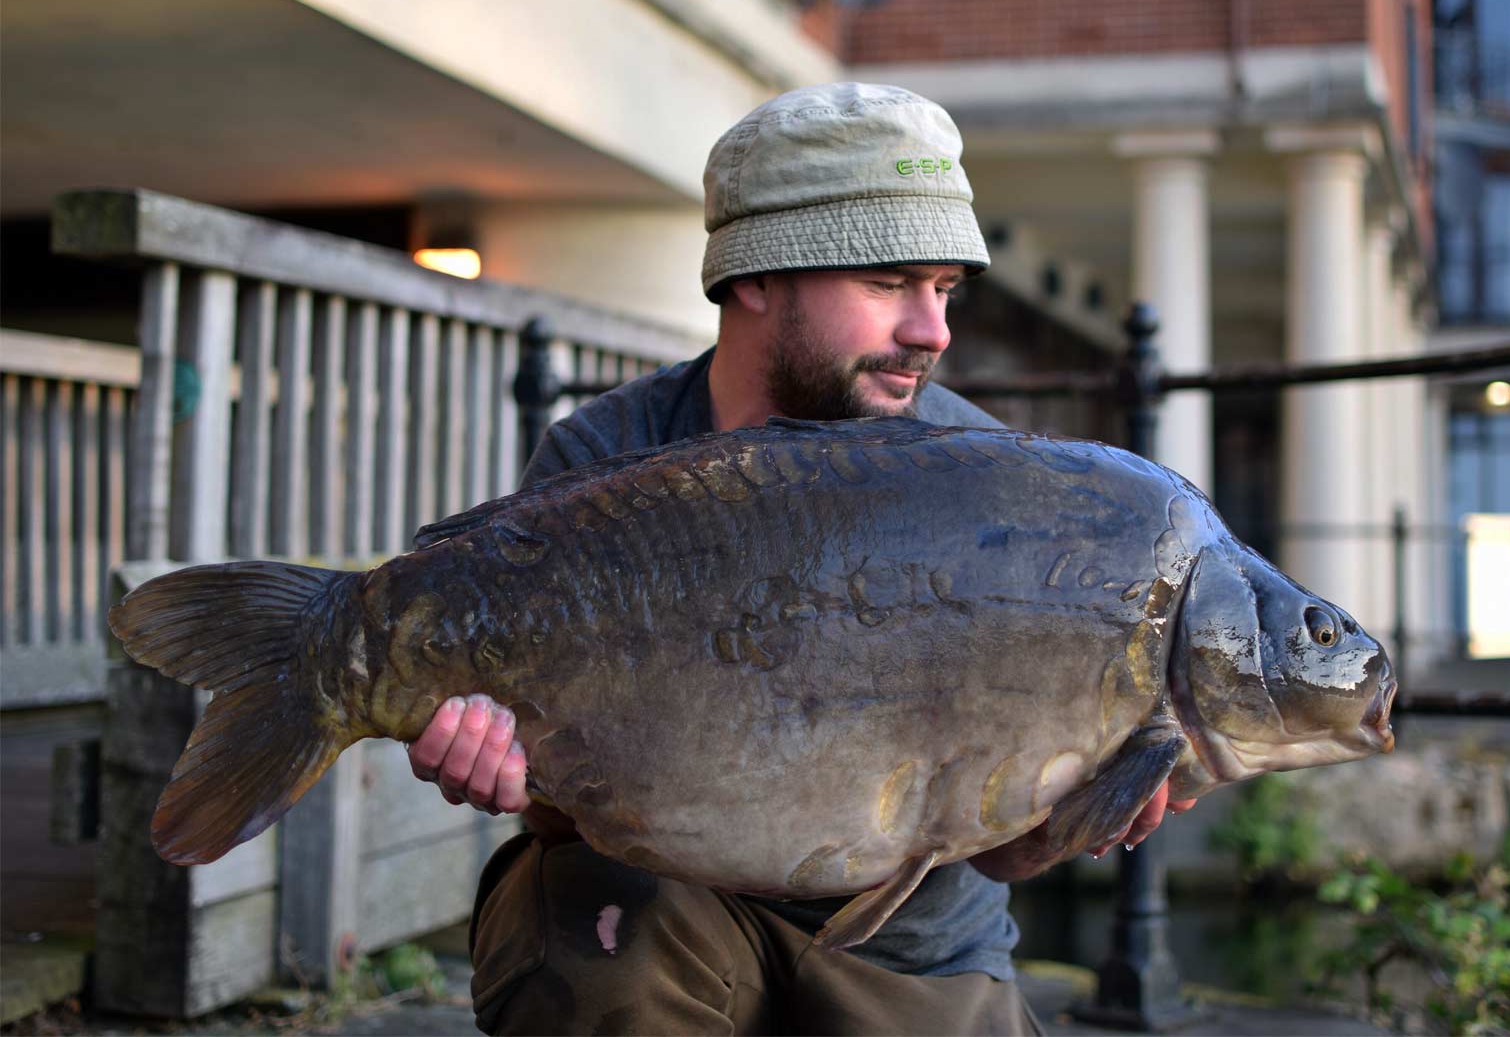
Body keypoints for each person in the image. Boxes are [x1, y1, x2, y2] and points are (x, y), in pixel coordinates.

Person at [406, 82, 1195, 1035]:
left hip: (914, 941)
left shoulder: (991, 487)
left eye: (942, 288)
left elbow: (996, 855)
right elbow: (563, 813)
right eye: (886, 283)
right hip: (669, 904)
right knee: (588, 930)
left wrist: (1072, 821)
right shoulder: (601, 465)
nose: (932, 330)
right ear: (755, 275)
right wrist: (511, 774)